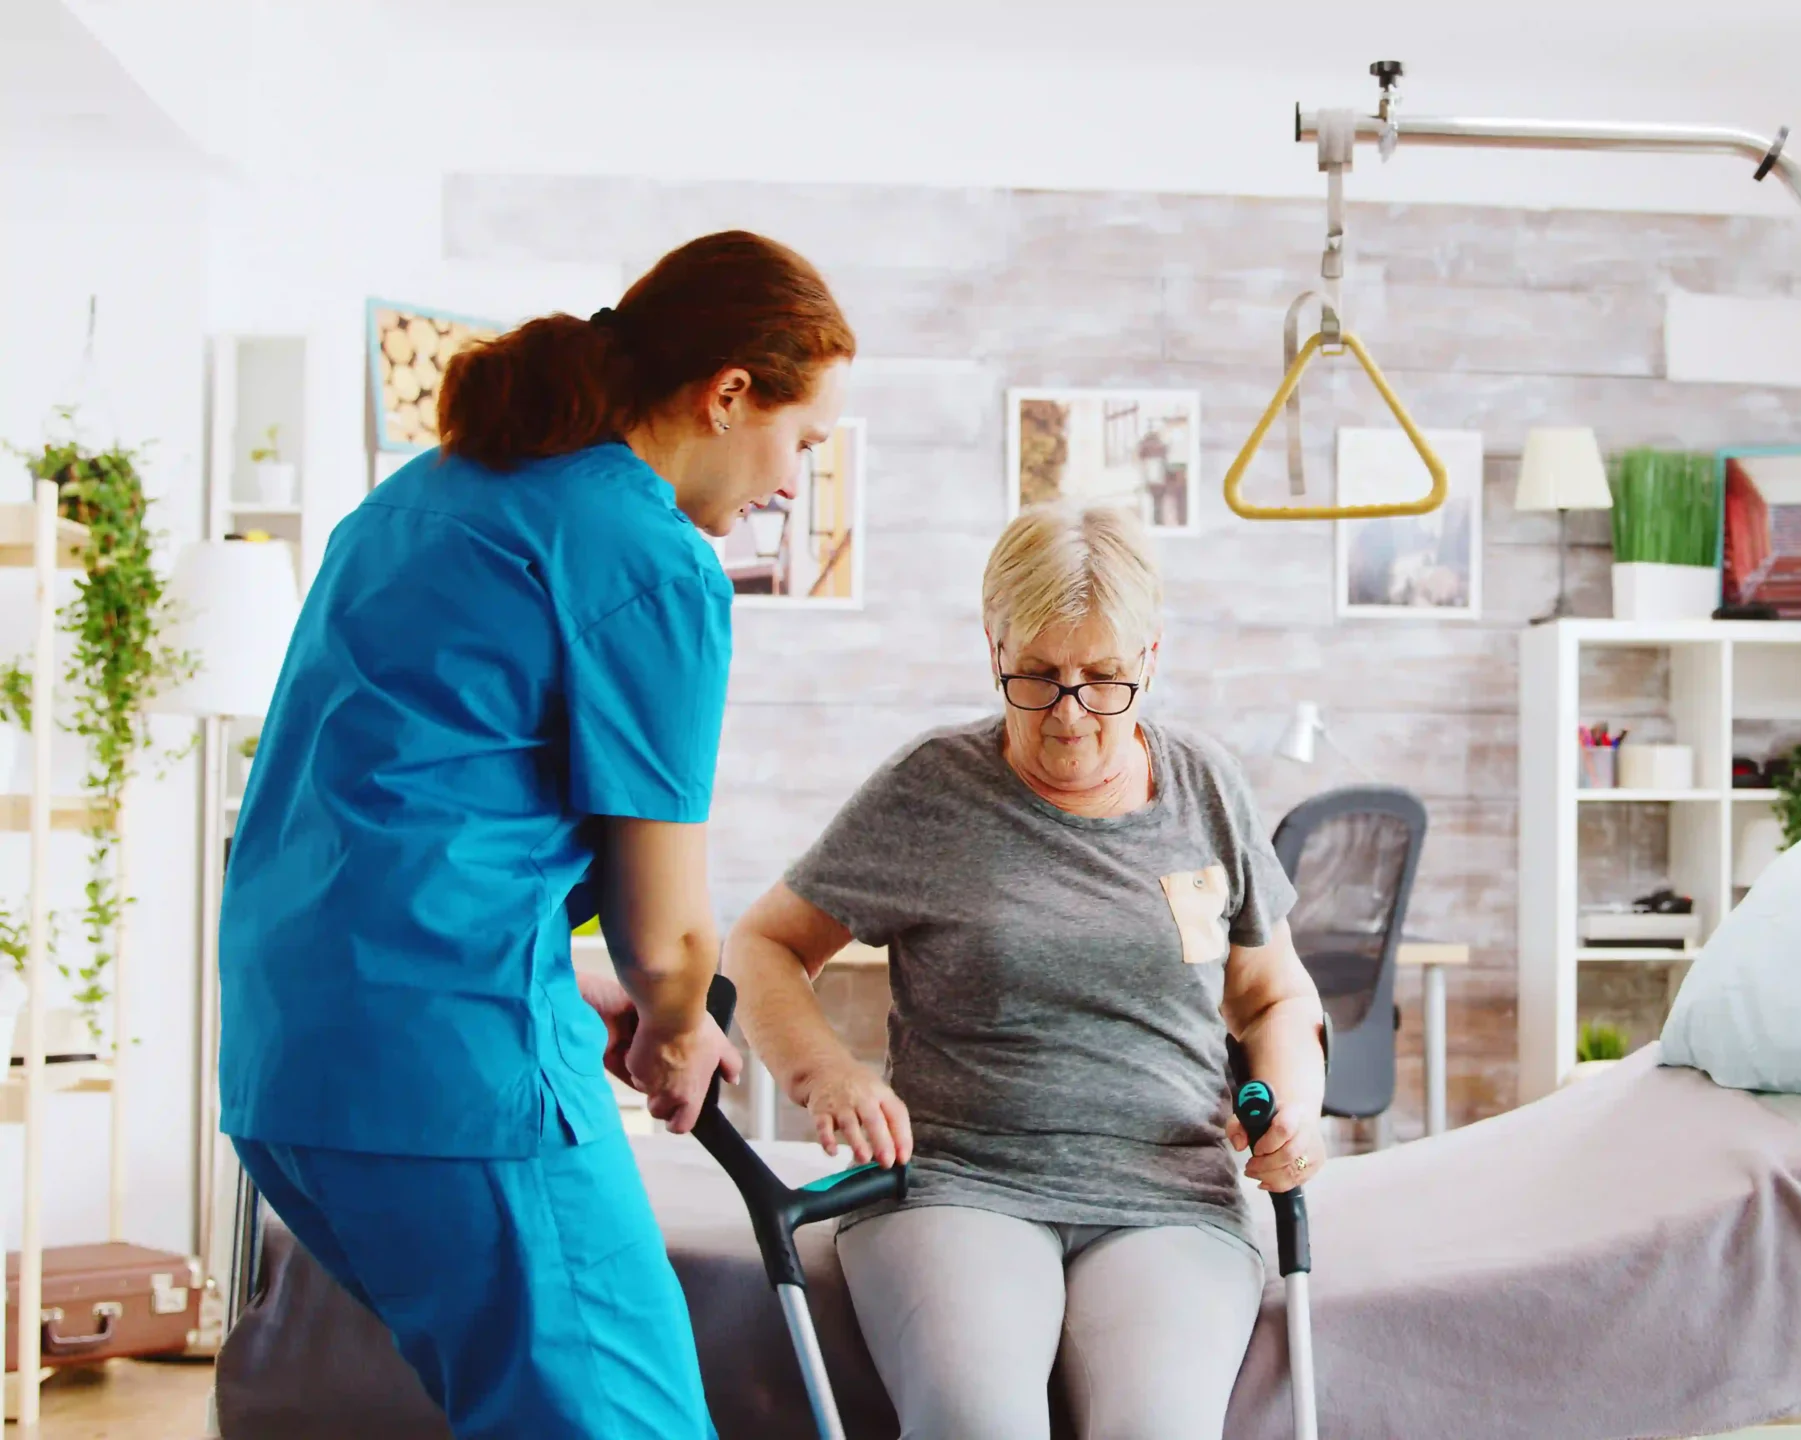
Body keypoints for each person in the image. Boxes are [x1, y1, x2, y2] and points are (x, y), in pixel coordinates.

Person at [219, 230, 854, 1439]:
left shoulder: (421, 496)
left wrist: (574, 978)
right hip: (448, 1082)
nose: (791, 481)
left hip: (287, 1073)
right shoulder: (647, 555)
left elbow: (396, 816)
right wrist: (674, 1027)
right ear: (729, 395)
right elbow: (672, 938)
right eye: (802, 442)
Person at [726, 502, 1332, 1440]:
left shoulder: (1207, 787)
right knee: (977, 1423)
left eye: (1105, 680)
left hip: (1166, 1192)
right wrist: (827, 1073)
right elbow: (761, 944)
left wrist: (1291, 1103)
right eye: (1039, 677)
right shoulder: (932, 788)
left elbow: (1273, 995)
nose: (1070, 714)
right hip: (960, 1180)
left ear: (1152, 658)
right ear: (993, 644)